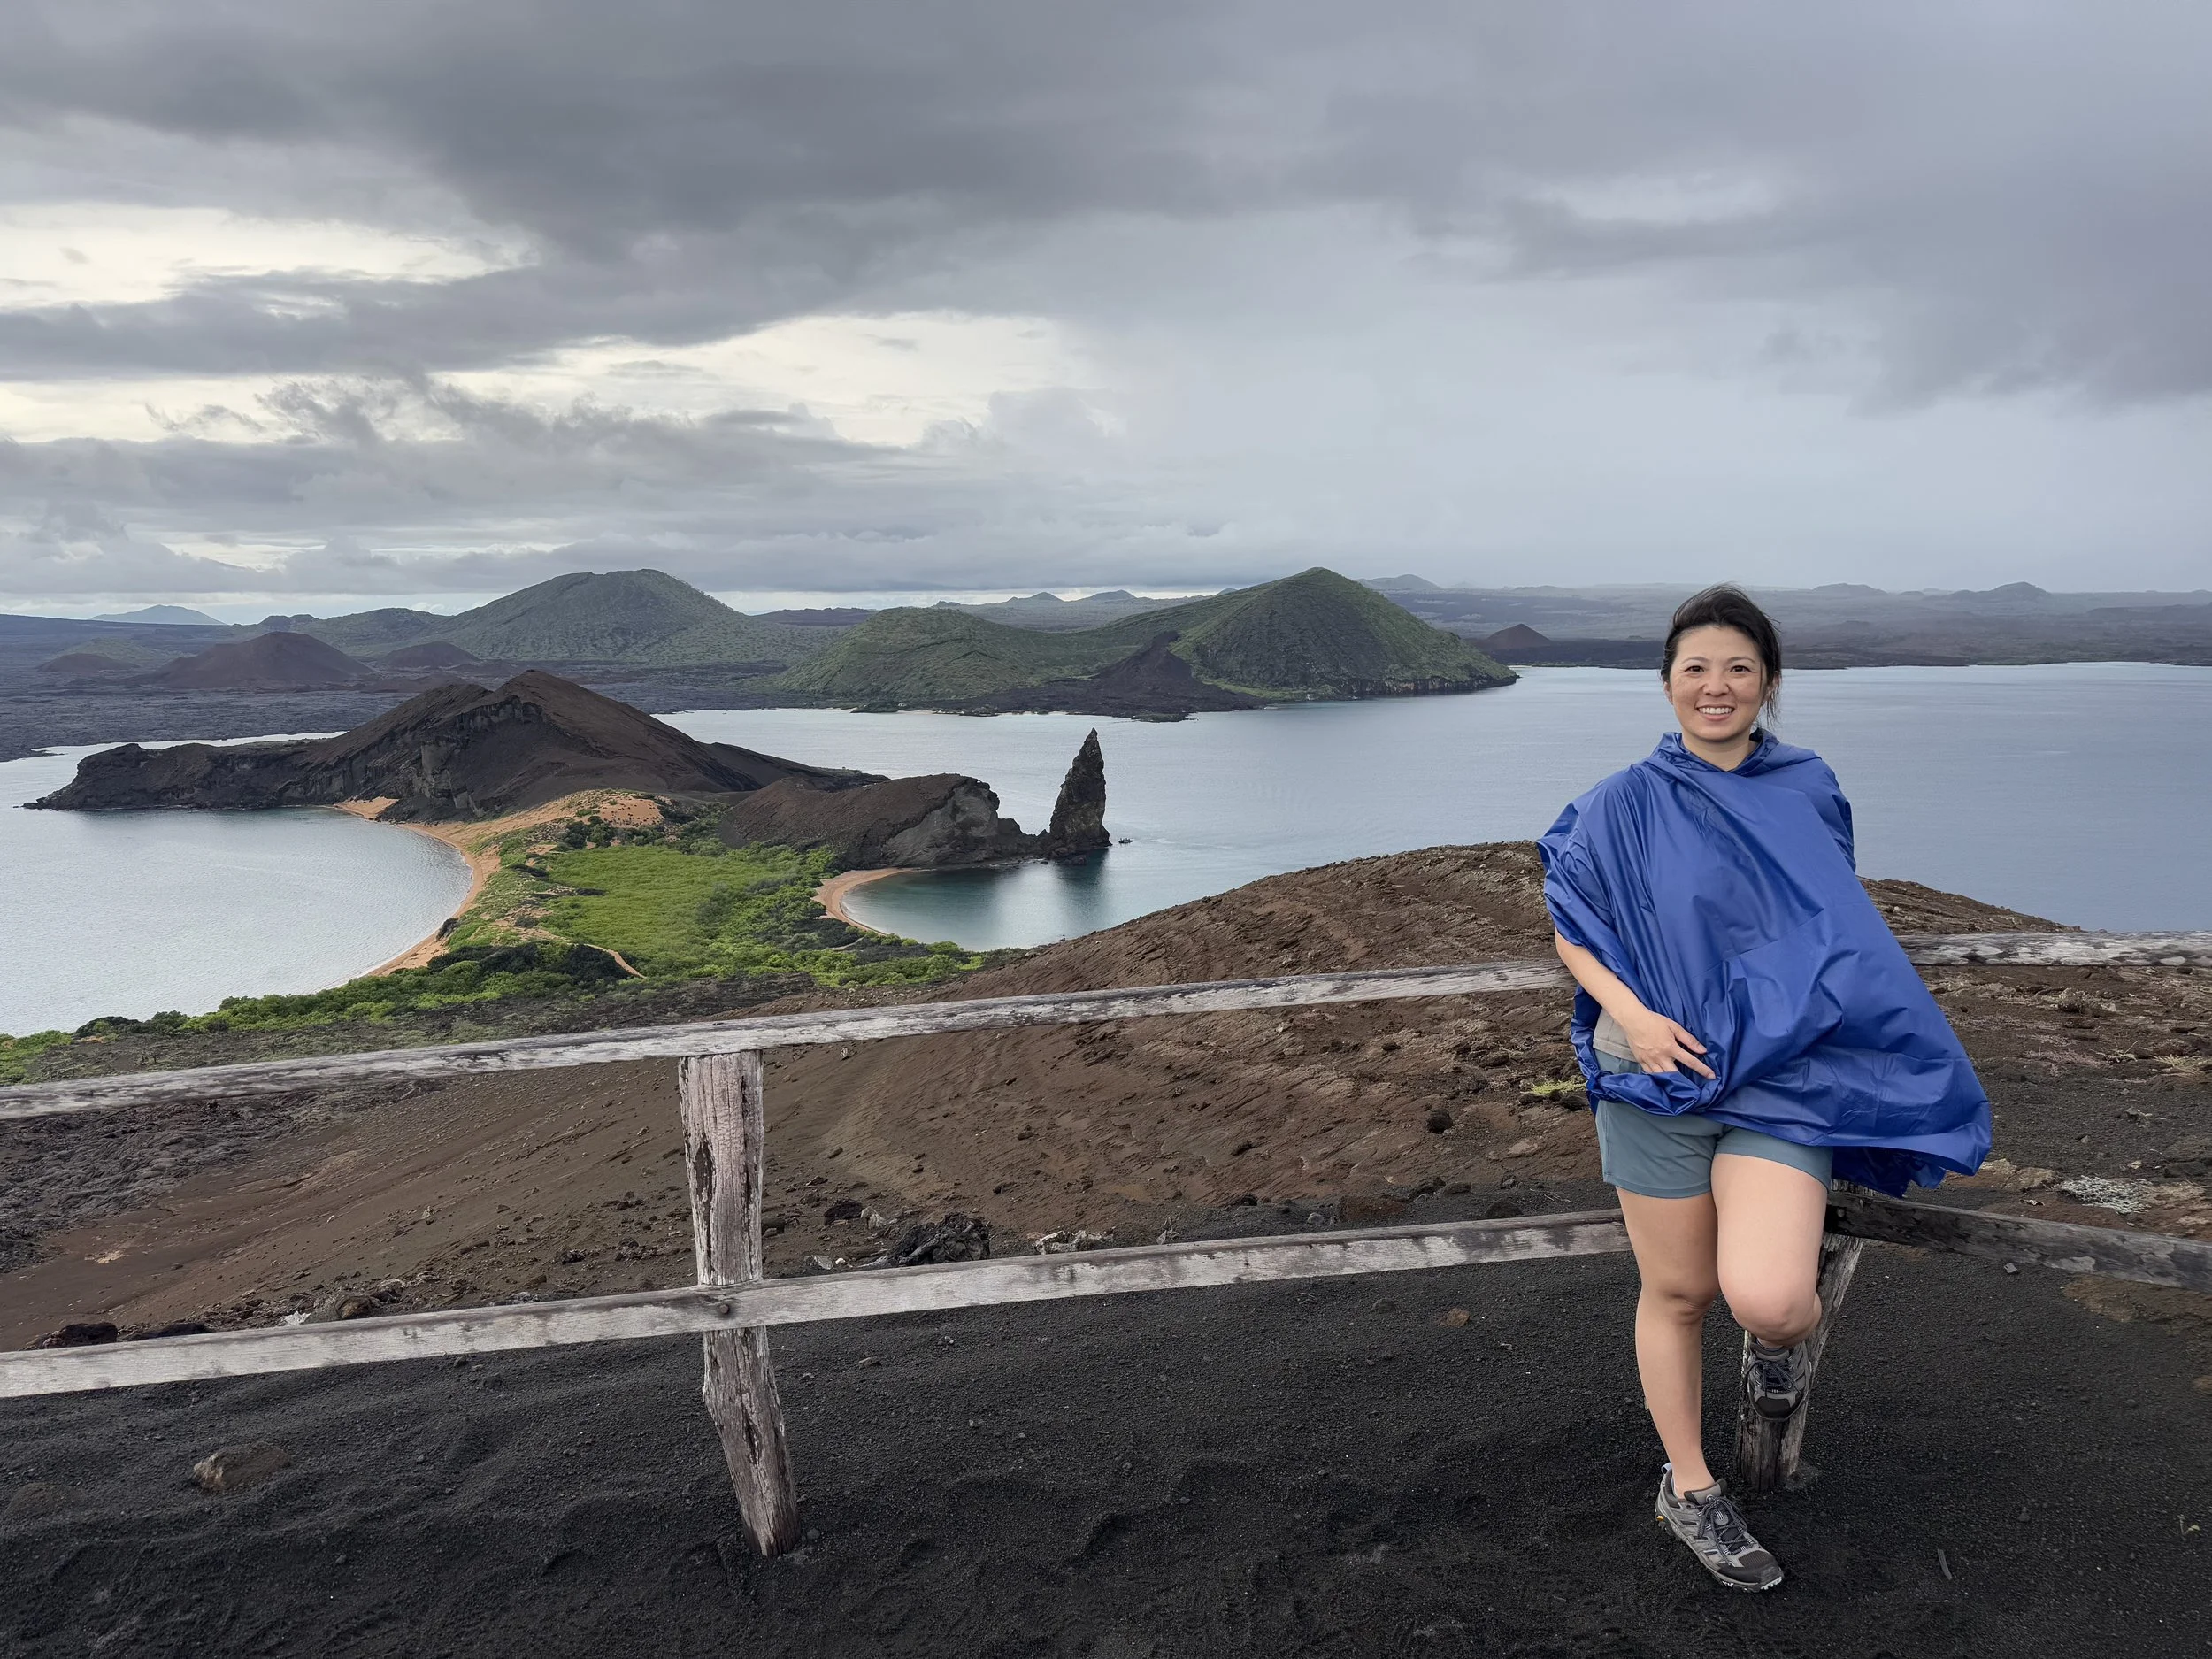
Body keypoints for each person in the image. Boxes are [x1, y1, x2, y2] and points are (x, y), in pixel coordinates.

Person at [1538, 584, 1991, 1593]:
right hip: (1651, 1075)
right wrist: (1639, 1018)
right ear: (1665, 684)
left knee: (1776, 1300)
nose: (1716, 686)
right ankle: (1690, 1488)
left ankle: (1777, 1348)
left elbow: (1823, 923)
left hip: (1779, 1078)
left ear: (1768, 685)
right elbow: (1569, 912)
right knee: (1680, 1290)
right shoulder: (1621, 802)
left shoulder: (1805, 786)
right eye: (1695, 667)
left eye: (1737, 668)